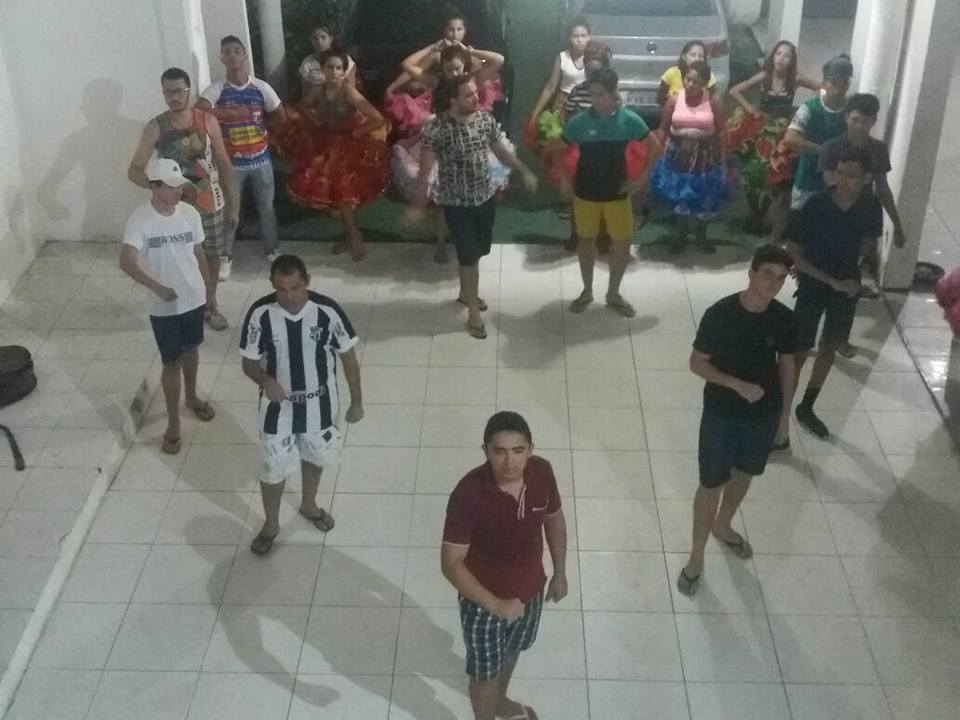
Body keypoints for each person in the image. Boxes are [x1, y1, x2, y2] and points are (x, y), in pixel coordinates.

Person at [677, 244, 798, 596]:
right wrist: (736, 385)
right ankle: (696, 556)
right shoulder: (721, 314)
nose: (773, 284)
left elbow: (787, 365)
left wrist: (783, 417)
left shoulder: (783, 319)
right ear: (752, 273)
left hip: (763, 414)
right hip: (721, 413)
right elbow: (697, 362)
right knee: (711, 482)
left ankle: (724, 524)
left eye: (780, 278)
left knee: (746, 472)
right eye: (767, 274)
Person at [442, 411, 568, 720]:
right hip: (483, 602)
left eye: (518, 450)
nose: (510, 462)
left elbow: (554, 520)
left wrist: (560, 572)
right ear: (485, 451)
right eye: (499, 451)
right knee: (484, 674)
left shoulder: (542, 472)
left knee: (513, 649)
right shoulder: (468, 494)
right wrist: (496, 604)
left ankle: (499, 701)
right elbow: (451, 563)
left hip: (531, 592)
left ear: (530, 449)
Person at [239, 254, 364, 555]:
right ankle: (271, 524)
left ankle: (309, 504)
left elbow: (348, 357)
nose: (289, 296)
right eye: (281, 289)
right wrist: (266, 381)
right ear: (272, 285)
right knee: (272, 467)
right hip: (277, 410)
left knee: (314, 455)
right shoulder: (260, 313)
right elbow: (249, 362)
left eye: (295, 287)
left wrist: (357, 401)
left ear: (306, 281)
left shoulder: (327, 311)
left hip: (319, 404)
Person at [408, 75, 538, 339]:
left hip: (485, 198)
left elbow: (501, 152)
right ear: (452, 100)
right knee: (468, 255)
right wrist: (418, 204)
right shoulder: (437, 129)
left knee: (477, 252)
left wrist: (524, 171)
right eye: (468, 95)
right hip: (456, 203)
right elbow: (425, 170)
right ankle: (473, 312)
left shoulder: (485, 120)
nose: (476, 97)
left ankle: (465, 292)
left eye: (475, 92)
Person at [119, 159, 217, 455]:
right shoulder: (140, 221)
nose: (178, 192)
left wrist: (209, 292)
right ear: (155, 186)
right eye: (172, 187)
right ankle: (173, 423)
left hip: (193, 299)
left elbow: (199, 253)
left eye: (180, 186)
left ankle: (192, 397)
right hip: (164, 309)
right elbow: (126, 262)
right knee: (171, 362)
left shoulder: (189, 214)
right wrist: (158, 288)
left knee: (192, 350)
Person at [128, 67, 237, 332]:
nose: (174, 97)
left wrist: (234, 205)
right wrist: (159, 188)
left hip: (208, 200)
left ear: (189, 91)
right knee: (181, 256)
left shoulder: (207, 121)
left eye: (178, 91)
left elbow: (224, 163)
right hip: (174, 208)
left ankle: (210, 303)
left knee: (211, 254)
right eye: (168, 92)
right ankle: (185, 303)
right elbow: (135, 170)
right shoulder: (157, 126)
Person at [785, 151, 882, 440]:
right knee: (800, 348)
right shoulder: (815, 205)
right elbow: (794, 254)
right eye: (840, 173)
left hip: (847, 285)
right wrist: (831, 281)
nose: (844, 181)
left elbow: (868, 244)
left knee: (829, 345)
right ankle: (782, 406)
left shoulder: (870, 207)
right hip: (813, 283)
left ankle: (807, 405)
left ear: (865, 179)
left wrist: (856, 275)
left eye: (852, 176)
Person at [388, 43, 512, 264]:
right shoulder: (436, 81)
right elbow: (407, 65)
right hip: (442, 141)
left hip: (469, 139)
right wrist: (431, 49)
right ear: (442, 69)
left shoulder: (472, 80)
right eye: (448, 69)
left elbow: (498, 60)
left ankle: (467, 236)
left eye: (458, 69)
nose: (454, 74)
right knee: (440, 194)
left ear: (464, 66)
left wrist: (470, 51)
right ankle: (441, 242)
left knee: (470, 192)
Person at [559, 67, 661, 318]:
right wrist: (565, 180)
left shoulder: (628, 120)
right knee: (585, 241)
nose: (595, 100)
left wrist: (641, 179)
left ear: (614, 92)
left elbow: (655, 146)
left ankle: (613, 294)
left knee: (622, 245)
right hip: (585, 193)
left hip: (617, 193)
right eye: (592, 94)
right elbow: (556, 149)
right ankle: (586, 291)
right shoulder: (580, 122)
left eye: (601, 94)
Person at [820, 92, 908, 356]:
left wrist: (897, 225)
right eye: (855, 120)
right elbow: (829, 183)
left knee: (852, 277)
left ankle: (840, 337)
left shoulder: (878, 149)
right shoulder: (831, 148)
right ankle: (812, 333)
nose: (860, 126)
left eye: (866, 121)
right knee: (822, 277)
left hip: (865, 217)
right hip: (834, 218)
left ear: (873, 121)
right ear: (847, 117)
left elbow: (883, 189)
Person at [286, 50, 390, 262]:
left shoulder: (349, 92)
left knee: (344, 194)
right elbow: (304, 106)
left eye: (338, 68)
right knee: (333, 195)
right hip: (324, 144)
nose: (334, 72)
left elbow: (377, 118)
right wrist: (316, 120)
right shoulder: (319, 89)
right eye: (330, 67)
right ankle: (349, 235)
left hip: (347, 147)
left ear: (344, 71)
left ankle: (354, 236)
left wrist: (356, 132)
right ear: (322, 69)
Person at [198, 35, 287, 280]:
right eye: (227, 52)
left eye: (237, 51)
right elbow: (199, 110)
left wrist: (267, 134)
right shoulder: (217, 89)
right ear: (221, 58)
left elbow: (281, 115)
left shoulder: (260, 87)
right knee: (230, 211)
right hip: (231, 164)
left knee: (266, 208)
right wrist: (227, 113)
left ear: (245, 55)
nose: (233, 56)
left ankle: (272, 249)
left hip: (261, 160)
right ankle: (225, 256)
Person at [727, 40, 819, 234]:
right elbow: (735, 90)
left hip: (783, 131)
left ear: (792, 60)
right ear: (773, 57)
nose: (781, 58)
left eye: (787, 55)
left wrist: (816, 107)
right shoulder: (764, 76)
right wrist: (749, 108)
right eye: (778, 54)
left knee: (776, 174)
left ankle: (767, 218)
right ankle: (755, 215)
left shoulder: (795, 79)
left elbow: (821, 88)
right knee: (754, 173)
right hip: (761, 129)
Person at [651, 60, 732, 254]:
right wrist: (655, 154)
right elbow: (663, 129)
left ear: (704, 83)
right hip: (677, 155)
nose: (690, 84)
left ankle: (701, 235)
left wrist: (723, 160)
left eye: (696, 81)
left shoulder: (713, 101)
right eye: (687, 79)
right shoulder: (674, 100)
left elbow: (722, 131)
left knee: (705, 195)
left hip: (705, 155)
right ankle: (681, 236)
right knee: (680, 197)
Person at [782, 53, 853, 211]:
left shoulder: (851, 112)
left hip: (839, 185)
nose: (838, 88)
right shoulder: (809, 108)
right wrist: (824, 150)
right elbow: (790, 139)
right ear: (824, 82)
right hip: (808, 182)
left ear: (848, 84)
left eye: (843, 82)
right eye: (833, 82)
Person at [527, 16, 590, 155]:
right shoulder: (562, 57)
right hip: (563, 106)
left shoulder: (594, 58)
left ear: (589, 37)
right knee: (562, 147)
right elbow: (550, 87)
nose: (579, 40)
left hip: (585, 106)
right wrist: (535, 113)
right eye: (575, 36)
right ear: (569, 38)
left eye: (583, 35)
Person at [299, 21, 357, 96]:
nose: (319, 42)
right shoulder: (307, 63)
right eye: (314, 38)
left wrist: (326, 79)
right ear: (310, 40)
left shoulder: (344, 59)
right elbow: (305, 95)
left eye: (323, 37)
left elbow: (352, 92)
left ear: (330, 39)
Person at [656, 40, 718, 106]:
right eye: (693, 55)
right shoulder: (672, 72)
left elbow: (714, 101)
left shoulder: (708, 75)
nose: (696, 59)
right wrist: (675, 100)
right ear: (683, 56)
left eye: (700, 56)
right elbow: (660, 99)